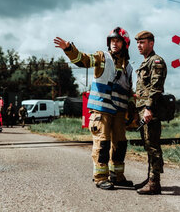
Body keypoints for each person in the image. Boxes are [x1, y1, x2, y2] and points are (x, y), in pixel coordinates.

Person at [54, 27, 135, 190]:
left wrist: (132, 112)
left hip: (119, 113)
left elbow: (130, 93)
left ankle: (117, 176)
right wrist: (69, 49)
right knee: (102, 143)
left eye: (118, 41)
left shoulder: (129, 68)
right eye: (112, 40)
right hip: (101, 110)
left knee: (120, 144)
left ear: (125, 44)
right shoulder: (102, 57)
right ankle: (100, 177)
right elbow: (83, 60)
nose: (114, 43)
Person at [134, 30, 167, 195]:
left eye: (142, 42)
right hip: (143, 109)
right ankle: (150, 179)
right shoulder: (145, 62)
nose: (139, 46)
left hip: (150, 110)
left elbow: (156, 87)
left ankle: (155, 182)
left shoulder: (156, 61)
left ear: (151, 43)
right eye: (138, 43)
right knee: (148, 144)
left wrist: (149, 108)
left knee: (153, 145)